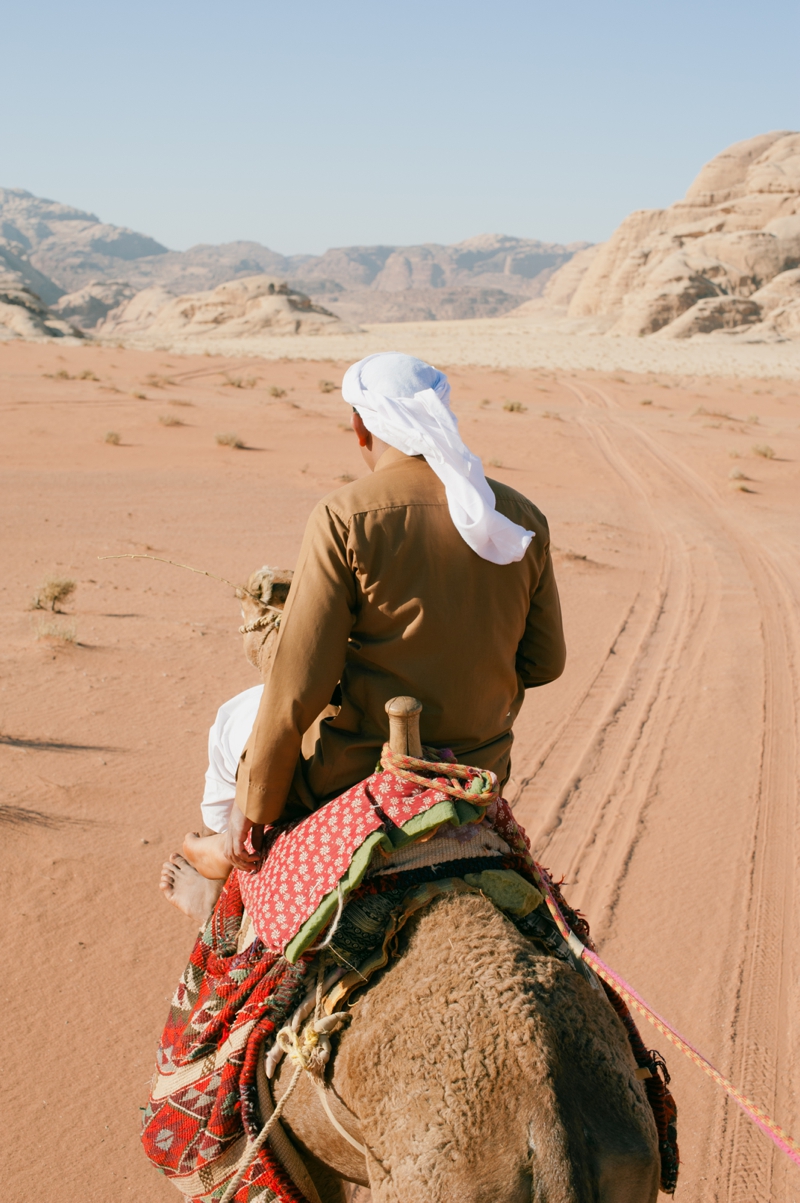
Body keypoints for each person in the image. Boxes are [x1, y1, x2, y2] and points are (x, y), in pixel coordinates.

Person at [223, 352, 566, 872]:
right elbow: (545, 663)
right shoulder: (516, 515)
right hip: (480, 772)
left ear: (360, 427)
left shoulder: (343, 515)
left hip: (363, 773)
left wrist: (255, 805)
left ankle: (220, 862)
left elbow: (297, 689)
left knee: (231, 729)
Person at [159, 567, 292, 923]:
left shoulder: (241, 712)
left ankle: (211, 871)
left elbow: (223, 815)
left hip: (275, 824)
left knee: (230, 833)